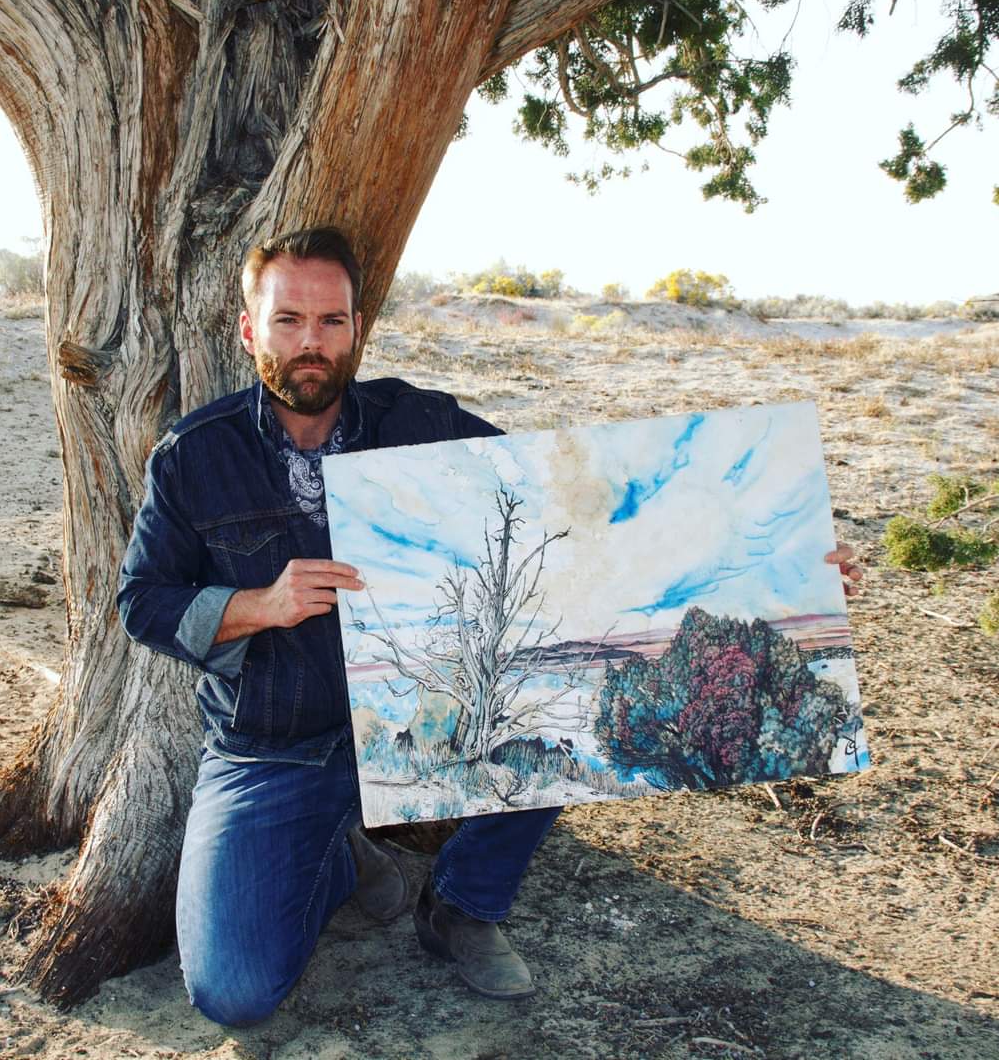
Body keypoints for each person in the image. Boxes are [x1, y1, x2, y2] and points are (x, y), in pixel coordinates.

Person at [118, 226, 865, 1027]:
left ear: (357, 329)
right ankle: (335, 860)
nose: (312, 343)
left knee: (568, 703)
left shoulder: (421, 423)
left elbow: (576, 504)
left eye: (331, 321)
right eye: (289, 321)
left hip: (429, 720)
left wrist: (784, 557)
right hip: (273, 743)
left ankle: (463, 901)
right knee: (234, 993)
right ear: (249, 330)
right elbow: (143, 600)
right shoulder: (194, 456)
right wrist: (258, 604)